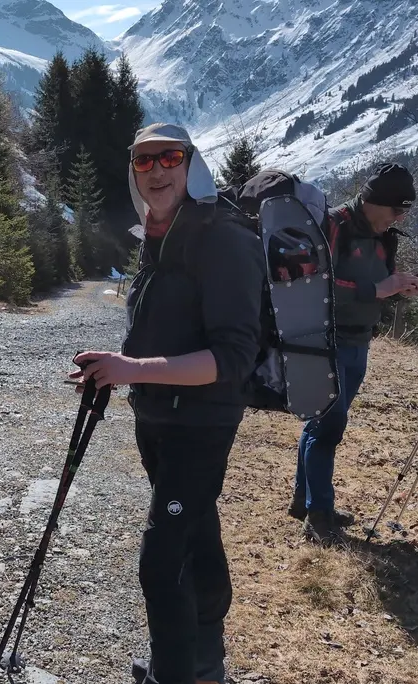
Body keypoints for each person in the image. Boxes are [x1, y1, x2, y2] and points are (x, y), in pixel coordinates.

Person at [69, 123, 266, 684]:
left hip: (200, 423)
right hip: (159, 418)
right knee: (197, 536)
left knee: (161, 562)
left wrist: (131, 369)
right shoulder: (160, 233)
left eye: (169, 157)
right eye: (143, 162)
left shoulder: (223, 239)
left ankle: (173, 674)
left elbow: (231, 359)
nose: (156, 170)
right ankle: (203, 666)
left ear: (191, 164)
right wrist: (116, 366)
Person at [290, 163, 418, 544]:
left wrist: (399, 288)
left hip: (359, 341)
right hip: (324, 339)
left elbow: (378, 284)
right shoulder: (334, 225)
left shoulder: (386, 238)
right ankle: (319, 515)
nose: (399, 217)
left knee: (320, 424)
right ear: (372, 201)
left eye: (405, 212)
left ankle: (306, 501)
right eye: (397, 209)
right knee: (328, 427)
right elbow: (313, 281)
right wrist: (377, 290)